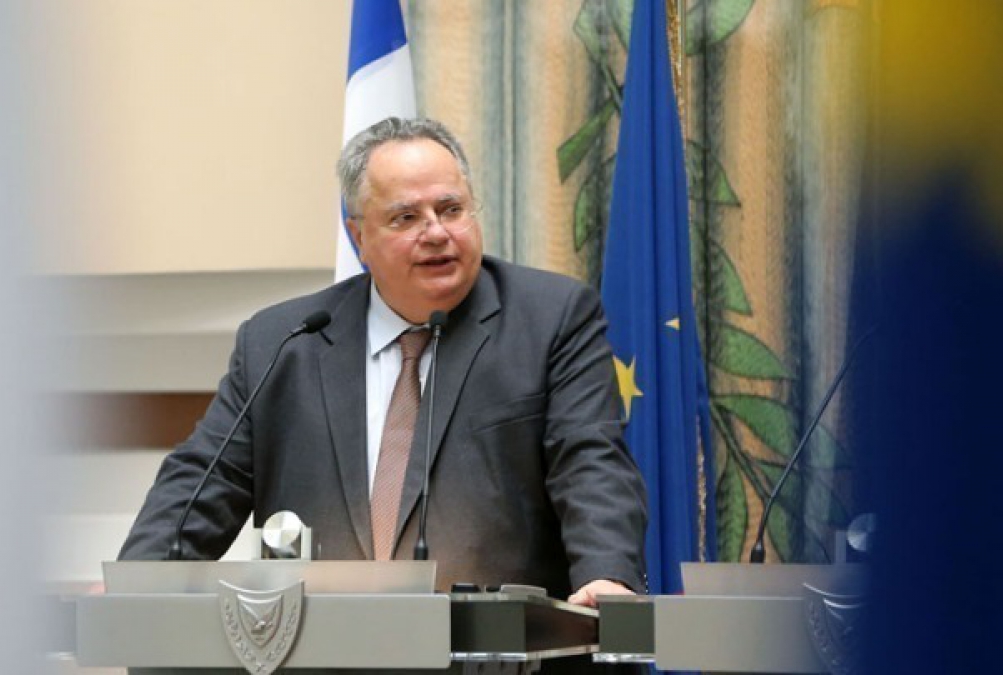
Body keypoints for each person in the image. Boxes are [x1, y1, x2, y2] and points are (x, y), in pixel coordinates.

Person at [120, 117, 647, 605]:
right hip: (327, 649)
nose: (436, 232)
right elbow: (204, 479)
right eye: (406, 217)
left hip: (501, 649)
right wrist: (136, 581)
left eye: (451, 209)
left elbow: (589, 460)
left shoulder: (551, 318)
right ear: (359, 237)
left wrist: (606, 572)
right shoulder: (284, 342)